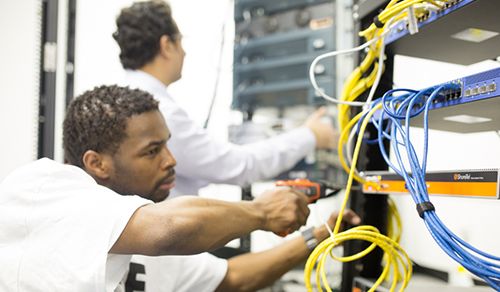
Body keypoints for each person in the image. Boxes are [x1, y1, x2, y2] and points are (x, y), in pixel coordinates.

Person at [0, 85, 312, 291]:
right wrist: (262, 211)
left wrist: (323, 233)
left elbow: (234, 277)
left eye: (167, 146)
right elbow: (168, 228)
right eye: (152, 151)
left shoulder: (136, 222)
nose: (170, 160)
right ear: (97, 163)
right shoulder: (41, 188)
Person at [113, 0, 340, 197]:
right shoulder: (158, 111)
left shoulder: (123, 97)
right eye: (181, 41)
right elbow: (238, 167)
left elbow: (202, 168)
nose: (185, 52)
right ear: (166, 45)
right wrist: (310, 135)